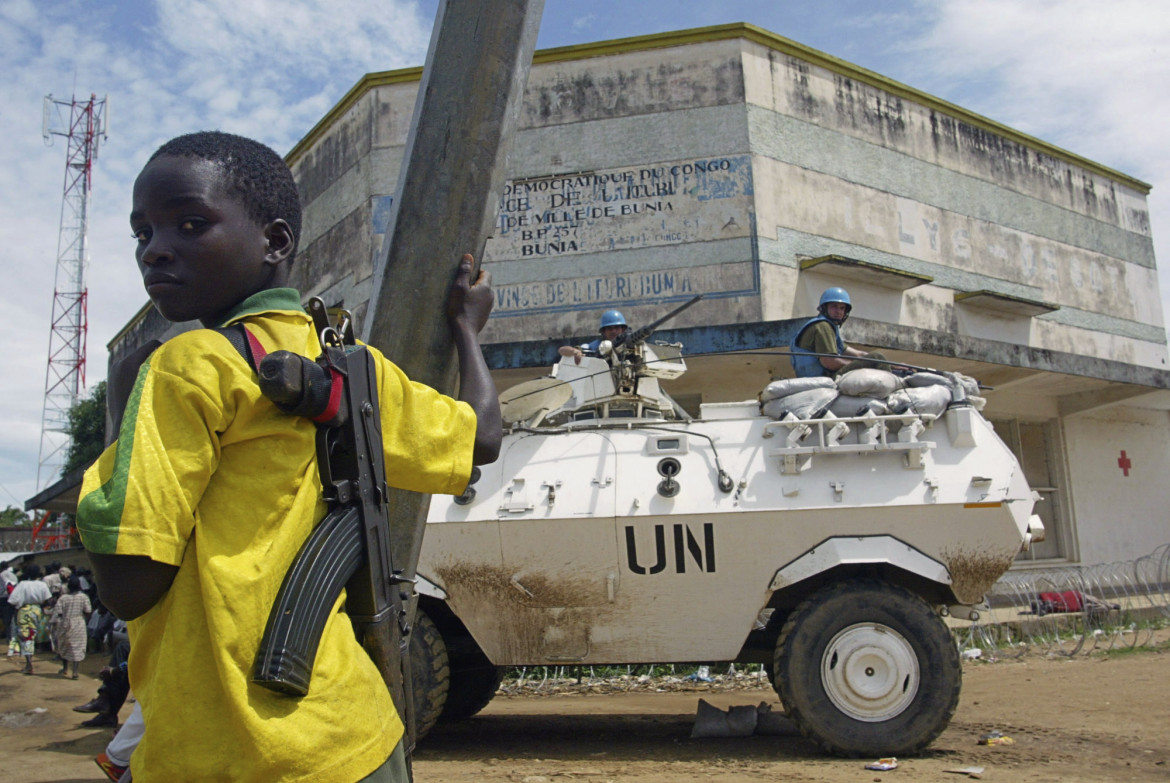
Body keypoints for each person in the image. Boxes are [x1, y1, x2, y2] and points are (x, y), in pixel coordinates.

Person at [75, 130, 501, 783]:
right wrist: (468, 331)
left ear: (275, 242)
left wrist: (119, 414)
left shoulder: (186, 367)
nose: (156, 250)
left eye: (190, 224)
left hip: (223, 750)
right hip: (359, 736)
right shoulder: (350, 369)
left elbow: (129, 583)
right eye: (143, 234)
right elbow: (481, 439)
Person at [790, 287, 895, 378]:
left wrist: (893, 364)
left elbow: (859, 354)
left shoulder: (828, 327)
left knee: (875, 358)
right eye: (834, 306)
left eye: (842, 308)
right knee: (876, 357)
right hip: (826, 376)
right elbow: (829, 362)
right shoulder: (823, 326)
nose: (838, 311)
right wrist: (856, 365)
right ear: (824, 308)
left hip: (822, 374)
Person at [7, 564, 51, 674]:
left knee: (26, 638)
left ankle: (29, 664)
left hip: (24, 612)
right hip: (38, 612)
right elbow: (47, 600)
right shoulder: (42, 585)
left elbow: (12, 600)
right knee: (34, 636)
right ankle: (29, 662)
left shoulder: (22, 584)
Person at [50, 575, 91, 678]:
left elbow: (58, 613)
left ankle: (65, 668)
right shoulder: (83, 597)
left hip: (65, 623)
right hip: (79, 623)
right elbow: (88, 611)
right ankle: (75, 671)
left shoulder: (63, 598)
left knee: (65, 645)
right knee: (77, 646)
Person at [559, 309, 629, 364]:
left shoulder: (629, 345)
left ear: (622, 329)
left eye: (616, 328)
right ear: (603, 331)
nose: (613, 331)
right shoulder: (596, 346)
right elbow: (562, 350)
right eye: (609, 328)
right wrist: (575, 352)